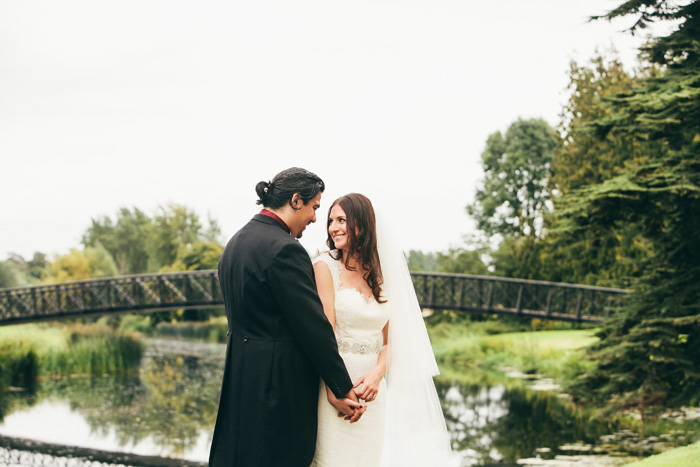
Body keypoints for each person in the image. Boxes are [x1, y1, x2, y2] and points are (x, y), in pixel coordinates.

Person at [208, 168, 365, 467]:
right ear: (296, 200)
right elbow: (312, 327)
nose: (316, 219)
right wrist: (341, 385)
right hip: (278, 385)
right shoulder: (285, 250)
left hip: (240, 377)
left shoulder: (235, 244)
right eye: (315, 207)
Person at [311, 193, 454, 467]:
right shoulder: (323, 266)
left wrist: (377, 376)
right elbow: (324, 335)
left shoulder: (382, 272)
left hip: (373, 393)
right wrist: (335, 389)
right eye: (331, 221)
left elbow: (392, 341)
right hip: (335, 384)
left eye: (342, 220)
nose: (333, 227)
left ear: (361, 225)